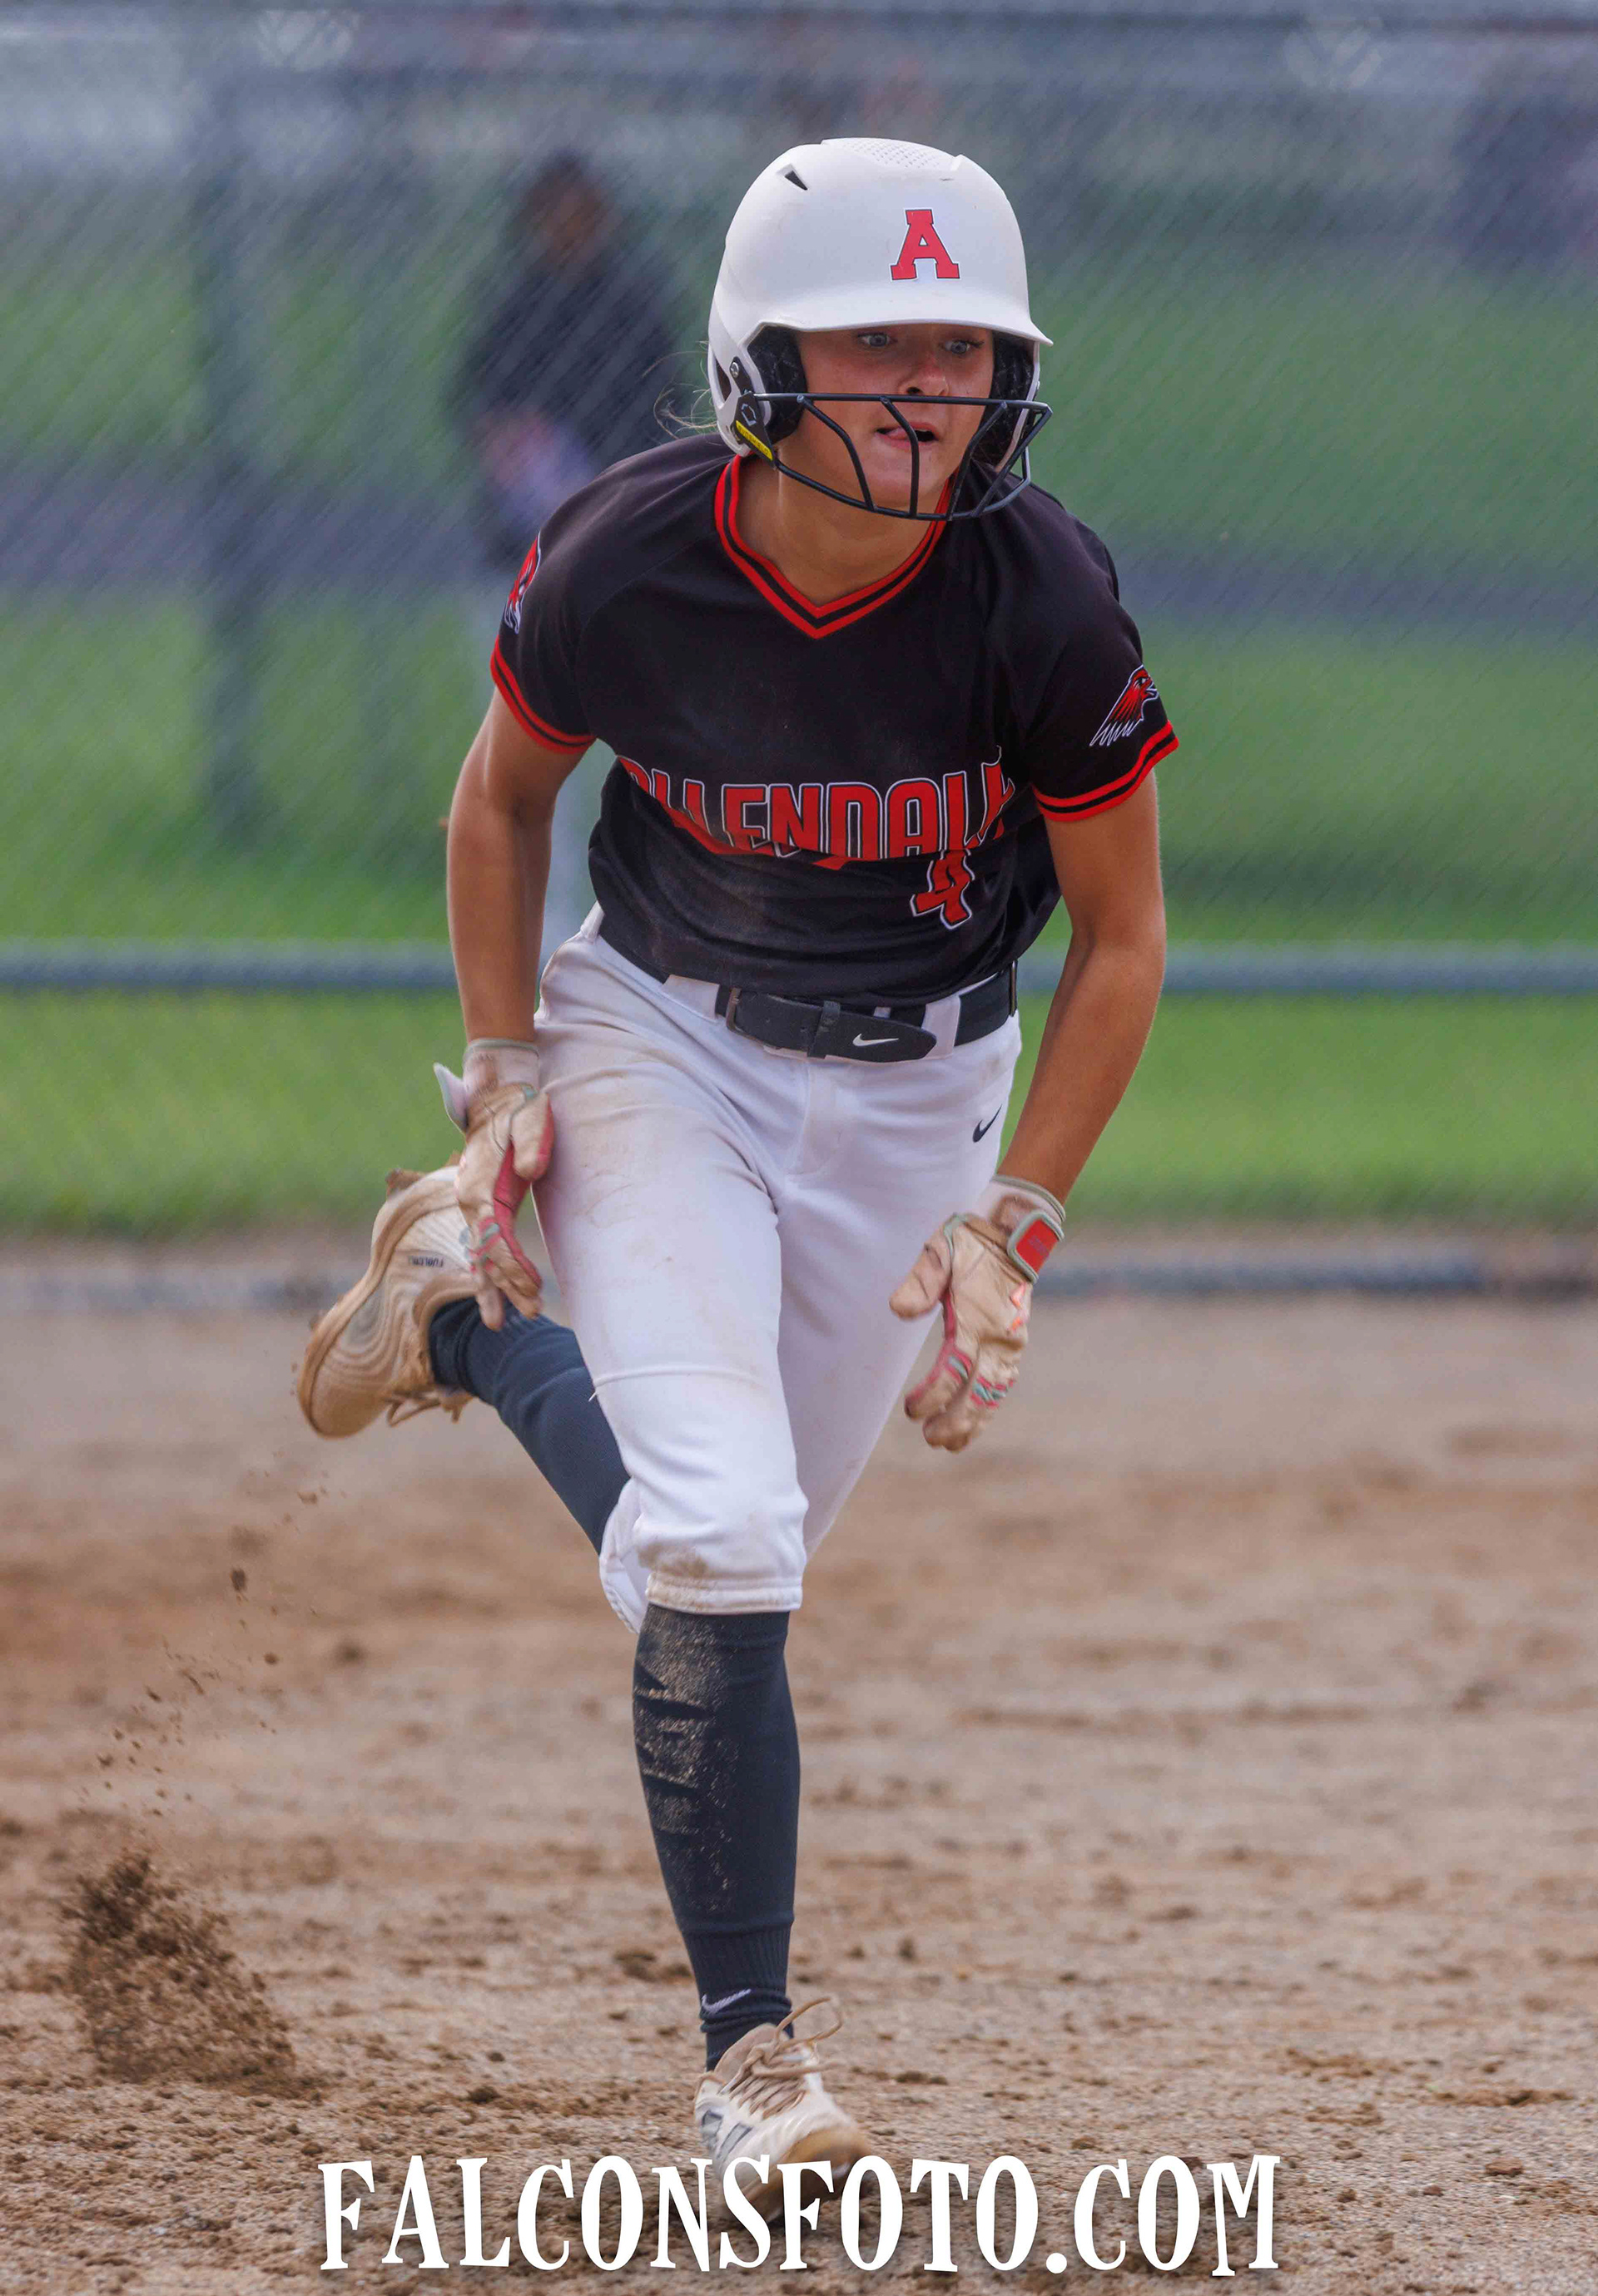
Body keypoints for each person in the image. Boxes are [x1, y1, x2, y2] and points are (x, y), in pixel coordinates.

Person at [300, 137, 1174, 2208]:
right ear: (757, 360)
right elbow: (501, 802)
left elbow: (1123, 940)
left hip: (926, 1088)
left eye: (963, 350)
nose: (928, 389)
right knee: (718, 1538)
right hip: (661, 1040)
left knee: (716, 1562)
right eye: (877, 343)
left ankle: (465, 1321)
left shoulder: (1039, 595)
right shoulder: (631, 556)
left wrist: (1015, 1221)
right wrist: (506, 1067)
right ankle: (752, 2064)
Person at [455, 153, 678, 571]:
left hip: (620, 471)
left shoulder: (631, 301)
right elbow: (480, 396)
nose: (567, 229)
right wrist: (507, 434)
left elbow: (667, 394)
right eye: (553, 216)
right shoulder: (517, 303)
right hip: (536, 485)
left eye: (581, 215)